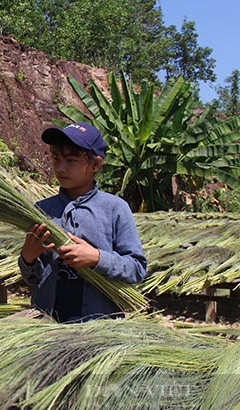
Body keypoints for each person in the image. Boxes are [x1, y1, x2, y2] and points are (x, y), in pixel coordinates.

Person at [18, 122, 146, 322]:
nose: (60, 168)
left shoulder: (115, 208)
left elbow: (136, 269)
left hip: (99, 329)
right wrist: (27, 258)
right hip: (48, 327)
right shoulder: (42, 210)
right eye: (56, 159)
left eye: (71, 160)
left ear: (95, 164)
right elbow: (32, 279)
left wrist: (96, 258)